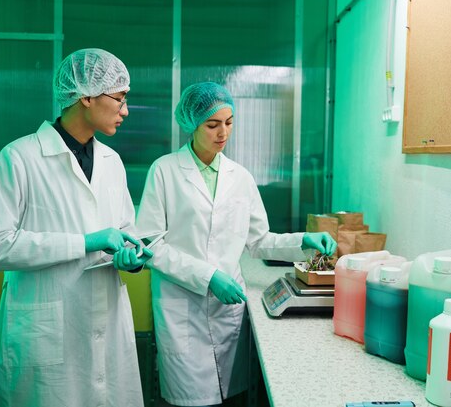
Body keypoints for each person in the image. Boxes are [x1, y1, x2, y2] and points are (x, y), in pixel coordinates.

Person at [0, 48, 151, 407]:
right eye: (120, 98)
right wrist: (83, 242)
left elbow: (125, 228)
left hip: (107, 323)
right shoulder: (20, 157)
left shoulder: (112, 162)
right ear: (85, 95)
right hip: (47, 332)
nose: (126, 110)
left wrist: (131, 257)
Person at [136, 81, 337, 407]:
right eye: (212, 124)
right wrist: (208, 276)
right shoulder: (165, 171)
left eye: (229, 123)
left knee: (232, 398)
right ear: (191, 124)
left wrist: (304, 241)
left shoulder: (240, 176)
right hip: (182, 306)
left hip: (227, 312)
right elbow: (151, 246)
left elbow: (258, 241)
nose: (223, 133)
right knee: (189, 401)